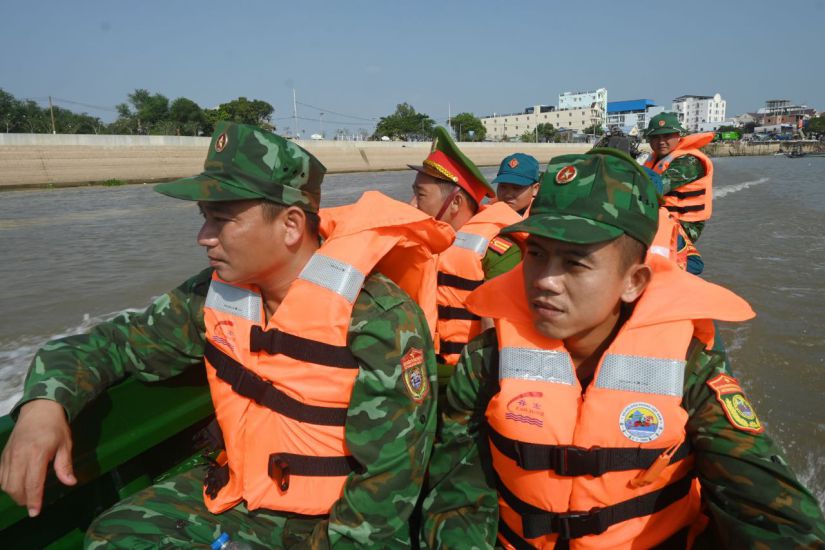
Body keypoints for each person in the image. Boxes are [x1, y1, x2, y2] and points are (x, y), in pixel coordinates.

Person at [0, 122, 455, 548]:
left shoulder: (380, 320)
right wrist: (44, 404)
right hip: (236, 490)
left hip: (329, 523)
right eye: (204, 217)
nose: (204, 236)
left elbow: (385, 492)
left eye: (221, 219)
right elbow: (114, 342)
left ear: (291, 225)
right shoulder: (213, 295)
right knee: (113, 535)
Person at [421, 149, 825, 548]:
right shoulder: (486, 360)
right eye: (537, 254)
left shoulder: (689, 369)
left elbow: (772, 512)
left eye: (575, 263)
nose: (545, 280)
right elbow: (457, 491)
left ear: (634, 281)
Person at [409, 126, 523, 391]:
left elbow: (496, 335)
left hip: (463, 381)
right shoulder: (416, 242)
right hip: (417, 371)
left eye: (421, 195)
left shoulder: (499, 250)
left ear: (456, 202)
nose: (412, 204)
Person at [643, 112, 715, 243]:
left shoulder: (689, 162)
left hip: (684, 225)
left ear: (678, 135)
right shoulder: (653, 159)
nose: (661, 142)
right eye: (655, 137)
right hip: (658, 215)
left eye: (667, 136)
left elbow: (657, 187)